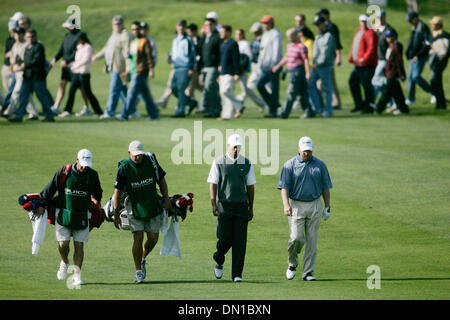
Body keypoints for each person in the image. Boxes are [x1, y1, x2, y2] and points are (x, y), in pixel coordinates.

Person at [34, 149, 103, 286]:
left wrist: (97, 203)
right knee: (63, 244)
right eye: (82, 164)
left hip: (82, 214)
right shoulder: (64, 171)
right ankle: (64, 261)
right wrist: (41, 204)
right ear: (76, 160)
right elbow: (51, 188)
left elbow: (97, 192)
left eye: (87, 165)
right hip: (63, 213)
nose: (84, 167)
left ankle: (77, 275)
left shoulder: (93, 175)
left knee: (79, 245)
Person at [113, 141, 172, 283]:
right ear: (129, 153)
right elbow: (118, 191)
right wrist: (116, 213)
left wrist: (166, 200)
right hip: (134, 205)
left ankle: (143, 258)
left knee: (153, 239)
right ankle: (138, 271)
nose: (138, 157)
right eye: (135, 155)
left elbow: (161, 180)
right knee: (138, 237)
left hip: (151, 203)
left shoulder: (151, 161)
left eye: (140, 155)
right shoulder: (124, 168)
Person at [278, 136, 332, 281]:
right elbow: (284, 187)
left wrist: (327, 207)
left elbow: (326, 187)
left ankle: (308, 272)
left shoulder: (320, 165)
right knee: (296, 238)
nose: (306, 153)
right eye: (304, 151)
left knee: (312, 240)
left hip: (315, 204)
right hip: (296, 205)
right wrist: (286, 205)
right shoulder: (289, 165)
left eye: (309, 151)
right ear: (298, 149)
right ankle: (292, 263)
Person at [207, 134, 256, 282]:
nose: (236, 149)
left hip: (241, 206)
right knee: (225, 238)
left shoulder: (246, 163)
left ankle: (237, 274)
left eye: (238, 147)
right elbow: (213, 184)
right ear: (228, 146)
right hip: (225, 206)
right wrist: (214, 204)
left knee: (240, 241)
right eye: (234, 146)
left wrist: (251, 207)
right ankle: (219, 258)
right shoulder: (219, 162)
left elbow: (250, 186)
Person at [8, 29, 54, 122]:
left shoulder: (39, 47)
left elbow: (35, 61)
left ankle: (49, 115)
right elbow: (26, 60)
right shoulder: (27, 48)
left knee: (41, 96)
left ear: (35, 37)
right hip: (27, 77)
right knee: (23, 96)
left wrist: (23, 66)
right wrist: (19, 62)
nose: (30, 39)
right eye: (28, 37)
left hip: (37, 77)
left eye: (32, 37)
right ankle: (19, 116)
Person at [117, 21, 158, 121]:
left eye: (136, 29)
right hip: (134, 70)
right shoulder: (133, 42)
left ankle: (124, 114)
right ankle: (154, 115)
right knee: (146, 95)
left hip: (140, 71)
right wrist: (128, 56)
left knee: (131, 94)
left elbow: (149, 57)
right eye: (133, 29)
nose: (134, 31)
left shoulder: (144, 41)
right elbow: (133, 57)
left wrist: (151, 69)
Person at [92, 15, 131, 120]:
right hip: (112, 66)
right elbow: (106, 48)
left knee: (114, 90)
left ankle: (109, 112)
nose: (116, 26)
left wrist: (128, 68)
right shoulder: (114, 35)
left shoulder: (125, 35)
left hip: (119, 68)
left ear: (122, 24)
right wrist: (97, 56)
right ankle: (132, 110)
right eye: (114, 24)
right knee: (123, 90)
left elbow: (127, 52)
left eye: (118, 24)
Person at [50, 18, 88, 115]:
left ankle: (86, 107)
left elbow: (77, 52)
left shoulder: (80, 35)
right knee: (62, 84)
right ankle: (56, 106)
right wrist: (55, 58)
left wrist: (66, 61)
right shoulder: (67, 35)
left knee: (80, 87)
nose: (67, 28)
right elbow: (62, 48)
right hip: (66, 66)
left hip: (75, 66)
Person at [272, 28, 313, 119]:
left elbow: (306, 60)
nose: (289, 38)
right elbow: (287, 57)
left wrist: (308, 73)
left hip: (298, 72)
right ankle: (309, 111)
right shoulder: (290, 46)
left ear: (296, 35)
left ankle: (284, 112)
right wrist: (278, 66)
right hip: (292, 72)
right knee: (302, 93)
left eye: (290, 37)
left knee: (291, 92)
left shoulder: (302, 47)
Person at [60, 32, 103, 117]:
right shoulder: (79, 47)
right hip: (76, 73)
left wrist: (75, 65)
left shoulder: (88, 47)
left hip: (84, 74)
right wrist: (71, 64)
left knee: (88, 93)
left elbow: (86, 60)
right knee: (71, 91)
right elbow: (77, 59)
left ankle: (98, 111)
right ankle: (68, 110)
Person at [2, 27, 38, 120]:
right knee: (26, 94)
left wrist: (17, 60)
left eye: (19, 34)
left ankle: (8, 111)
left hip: (23, 72)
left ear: (23, 34)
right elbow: (11, 59)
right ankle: (33, 113)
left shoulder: (26, 45)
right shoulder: (15, 44)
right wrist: (13, 60)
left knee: (16, 92)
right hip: (16, 71)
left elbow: (26, 58)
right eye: (16, 34)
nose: (17, 36)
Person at [348, 14, 378, 114]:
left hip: (367, 65)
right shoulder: (359, 31)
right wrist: (353, 57)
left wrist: (364, 58)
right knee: (353, 82)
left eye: (365, 22)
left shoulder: (370, 32)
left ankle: (369, 107)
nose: (363, 23)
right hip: (358, 65)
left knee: (367, 86)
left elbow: (372, 48)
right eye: (362, 21)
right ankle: (359, 104)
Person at [375, 29, 409, 115]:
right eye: (387, 37)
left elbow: (399, 61)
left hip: (392, 73)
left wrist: (402, 74)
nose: (388, 39)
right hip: (388, 73)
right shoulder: (390, 46)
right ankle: (404, 109)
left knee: (387, 92)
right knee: (397, 93)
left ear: (394, 37)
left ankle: (379, 108)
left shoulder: (397, 46)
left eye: (389, 37)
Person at [169, 19, 198, 118]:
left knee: (181, 89)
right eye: (179, 26)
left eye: (182, 26)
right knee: (173, 88)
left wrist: (191, 68)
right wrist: (170, 57)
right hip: (176, 68)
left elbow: (192, 54)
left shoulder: (188, 39)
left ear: (185, 28)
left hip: (185, 68)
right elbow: (173, 53)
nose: (180, 28)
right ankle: (190, 102)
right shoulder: (175, 40)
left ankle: (180, 111)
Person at [309, 15, 336, 118]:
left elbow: (325, 53)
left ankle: (328, 110)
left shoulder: (329, 36)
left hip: (325, 66)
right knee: (310, 84)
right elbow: (315, 52)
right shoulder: (318, 36)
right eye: (316, 25)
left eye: (318, 24)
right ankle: (318, 107)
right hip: (316, 66)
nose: (317, 27)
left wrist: (317, 63)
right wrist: (313, 63)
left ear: (323, 24)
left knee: (327, 88)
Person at [405, 11, 433, 106]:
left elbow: (427, 43)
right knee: (411, 79)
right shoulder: (414, 27)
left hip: (420, 57)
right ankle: (411, 99)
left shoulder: (423, 27)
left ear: (416, 18)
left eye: (411, 20)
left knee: (416, 77)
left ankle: (433, 93)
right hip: (412, 57)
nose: (410, 22)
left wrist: (418, 55)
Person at [257, 15, 283, 118]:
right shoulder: (265, 34)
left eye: (265, 23)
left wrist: (274, 64)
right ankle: (274, 105)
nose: (264, 25)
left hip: (273, 65)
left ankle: (273, 110)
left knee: (274, 88)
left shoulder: (275, 33)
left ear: (270, 23)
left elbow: (276, 50)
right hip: (265, 65)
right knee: (259, 85)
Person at [317, 8, 342, 110]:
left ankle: (335, 102)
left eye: (321, 15)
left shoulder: (331, 27)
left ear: (326, 15)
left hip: (329, 58)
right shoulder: (323, 27)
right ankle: (335, 102)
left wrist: (338, 56)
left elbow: (336, 43)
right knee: (328, 81)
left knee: (326, 82)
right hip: (323, 58)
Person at [371, 10, 397, 102]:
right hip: (379, 59)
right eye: (378, 18)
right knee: (385, 83)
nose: (380, 20)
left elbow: (394, 46)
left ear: (385, 18)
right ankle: (392, 103)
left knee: (375, 80)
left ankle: (371, 101)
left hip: (385, 60)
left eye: (382, 17)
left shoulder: (389, 30)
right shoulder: (377, 30)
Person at [240, 22, 266, 113]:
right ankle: (261, 103)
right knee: (248, 87)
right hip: (255, 66)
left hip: (263, 65)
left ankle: (273, 104)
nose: (255, 33)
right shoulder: (253, 40)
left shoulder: (265, 39)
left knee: (268, 87)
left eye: (256, 31)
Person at [198, 17, 221, 118]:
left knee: (210, 87)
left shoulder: (217, 37)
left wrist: (220, 66)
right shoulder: (205, 37)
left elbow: (221, 53)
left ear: (214, 25)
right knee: (208, 88)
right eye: (206, 25)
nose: (208, 27)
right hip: (205, 67)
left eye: (210, 25)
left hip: (214, 66)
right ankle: (213, 108)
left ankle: (215, 110)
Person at [218, 25, 241, 120]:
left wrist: (237, 73)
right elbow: (221, 59)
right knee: (223, 94)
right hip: (223, 73)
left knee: (226, 91)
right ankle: (227, 115)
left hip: (230, 73)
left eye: (222, 32)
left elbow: (236, 59)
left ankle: (239, 105)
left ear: (228, 32)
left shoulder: (233, 44)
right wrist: (219, 73)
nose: (221, 34)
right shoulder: (222, 44)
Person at [428, 16, 449, 110]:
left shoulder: (445, 35)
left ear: (439, 25)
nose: (431, 25)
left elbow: (447, 51)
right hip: (433, 61)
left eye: (433, 24)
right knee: (437, 82)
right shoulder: (431, 35)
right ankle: (441, 103)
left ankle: (441, 103)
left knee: (433, 79)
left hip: (441, 61)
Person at [234, 28, 253, 118]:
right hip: (236, 70)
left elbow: (248, 56)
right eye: (236, 34)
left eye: (238, 34)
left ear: (242, 35)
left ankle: (238, 106)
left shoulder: (245, 44)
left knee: (245, 90)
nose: (237, 36)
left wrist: (241, 67)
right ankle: (237, 106)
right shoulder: (236, 43)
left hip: (242, 70)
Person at [186, 23, 204, 103]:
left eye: (190, 32)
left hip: (196, 68)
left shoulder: (200, 40)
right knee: (197, 86)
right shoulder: (187, 40)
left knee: (190, 87)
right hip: (191, 67)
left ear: (195, 31)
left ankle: (191, 104)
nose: (189, 33)